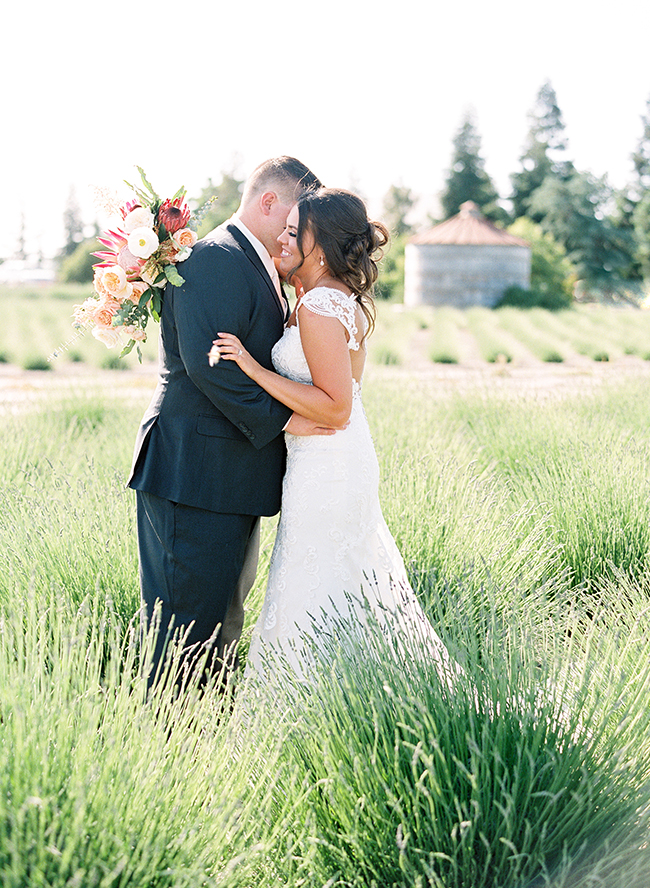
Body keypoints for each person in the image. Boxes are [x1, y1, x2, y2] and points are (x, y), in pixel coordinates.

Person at [213, 187, 456, 680]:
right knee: (335, 581)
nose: (282, 238)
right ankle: (359, 690)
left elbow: (336, 408)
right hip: (333, 459)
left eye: (292, 231)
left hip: (327, 461)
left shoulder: (319, 306)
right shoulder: (332, 298)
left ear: (318, 245)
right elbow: (349, 389)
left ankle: (308, 699)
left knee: (315, 578)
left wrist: (254, 369)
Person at [127, 157, 336, 687]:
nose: (302, 228)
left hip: (226, 476)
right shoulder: (217, 257)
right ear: (269, 202)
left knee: (219, 626)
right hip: (194, 473)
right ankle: (168, 748)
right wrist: (288, 419)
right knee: (184, 632)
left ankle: (203, 743)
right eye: (296, 214)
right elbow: (210, 365)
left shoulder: (256, 262)